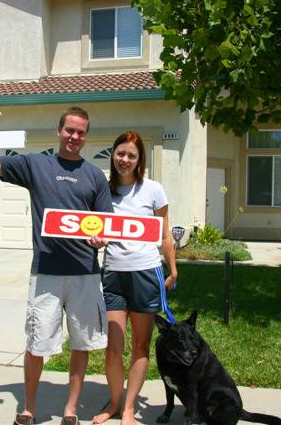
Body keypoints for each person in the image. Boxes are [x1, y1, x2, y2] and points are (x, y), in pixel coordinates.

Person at [0, 103, 113, 425]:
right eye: (69, 130)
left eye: (81, 133)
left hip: (85, 273)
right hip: (46, 271)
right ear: (59, 131)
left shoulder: (95, 176)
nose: (74, 137)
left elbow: (105, 224)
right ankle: (28, 407)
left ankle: (70, 409)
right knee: (36, 343)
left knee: (81, 344)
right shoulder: (36, 165)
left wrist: (101, 239)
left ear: (86, 137)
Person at [92, 131, 178, 425]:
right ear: (112, 154)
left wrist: (173, 268)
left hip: (146, 273)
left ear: (140, 159)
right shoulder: (102, 190)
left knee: (140, 347)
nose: (124, 160)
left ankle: (129, 407)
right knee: (113, 348)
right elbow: (94, 228)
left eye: (131, 155)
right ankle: (114, 403)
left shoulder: (153, 190)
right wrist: (96, 240)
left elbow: (165, 233)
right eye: (120, 153)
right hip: (114, 274)